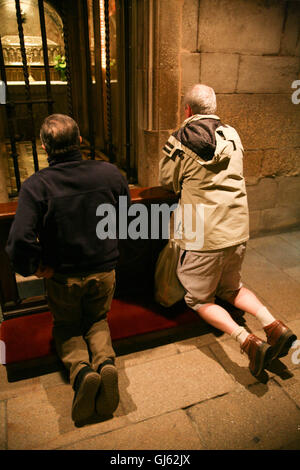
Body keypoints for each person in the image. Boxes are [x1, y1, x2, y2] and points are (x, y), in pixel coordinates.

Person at [159, 84, 297, 378]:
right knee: (231, 287)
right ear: (213, 108)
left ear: (187, 110)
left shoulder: (181, 139)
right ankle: (274, 325)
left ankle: (248, 342)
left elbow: (167, 180)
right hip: (236, 229)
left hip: (204, 235)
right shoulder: (232, 133)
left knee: (198, 300)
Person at [6, 114, 131, 423]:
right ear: (78, 141)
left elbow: (18, 240)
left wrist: (35, 267)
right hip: (103, 270)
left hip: (62, 276)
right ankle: (105, 364)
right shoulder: (110, 174)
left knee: (66, 326)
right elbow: (127, 221)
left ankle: (81, 372)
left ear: (46, 147)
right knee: (97, 320)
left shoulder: (37, 186)